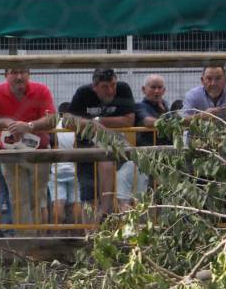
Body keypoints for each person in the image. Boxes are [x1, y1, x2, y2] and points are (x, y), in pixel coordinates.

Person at [0, 68, 56, 233]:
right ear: (6, 75)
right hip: (10, 154)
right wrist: (7, 123)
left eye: (22, 72)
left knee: (38, 199)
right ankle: (26, 241)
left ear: (29, 74)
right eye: (14, 72)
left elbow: (52, 118)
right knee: (18, 199)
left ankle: (38, 240)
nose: (19, 76)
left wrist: (28, 126)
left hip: (39, 152)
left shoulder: (41, 90)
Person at [66, 68, 136, 219]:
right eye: (105, 87)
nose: (110, 90)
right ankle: (90, 235)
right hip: (85, 149)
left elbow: (129, 119)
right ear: (95, 87)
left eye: (113, 85)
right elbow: (68, 119)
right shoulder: (83, 93)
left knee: (123, 194)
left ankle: (106, 214)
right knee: (88, 196)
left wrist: (97, 122)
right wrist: (90, 124)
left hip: (117, 148)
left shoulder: (123, 89)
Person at [117, 74, 171, 209]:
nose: (157, 91)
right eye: (153, 87)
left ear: (164, 90)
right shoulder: (139, 106)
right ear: (143, 89)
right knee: (141, 198)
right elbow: (148, 121)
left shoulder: (166, 109)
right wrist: (172, 122)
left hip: (166, 161)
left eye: (160, 88)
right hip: (144, 160)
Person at [47, 102, 82, 225]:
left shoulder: (54, 126)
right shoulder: (77, 126)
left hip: (57, 169)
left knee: (58, 202)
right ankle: (76, 232)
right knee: (76, 202)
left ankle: (59, 232)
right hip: (75, 169)